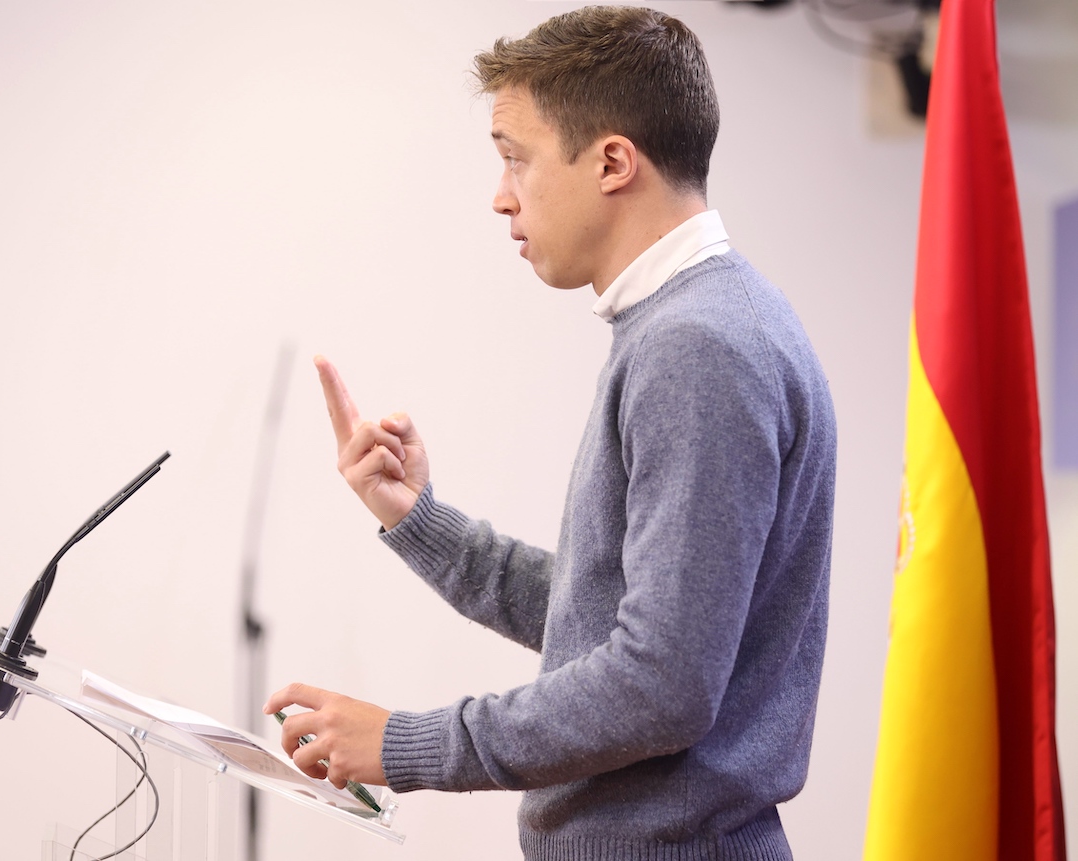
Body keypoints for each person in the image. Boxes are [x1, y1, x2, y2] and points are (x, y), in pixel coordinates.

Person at [263, 6, 837, 859]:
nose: (501, 196)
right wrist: (418, 518)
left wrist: (406, 742)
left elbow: (661, 684)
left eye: (514, 158)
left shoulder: (698, 345)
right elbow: (608, 620)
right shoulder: (692, 323)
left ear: (611, 162)